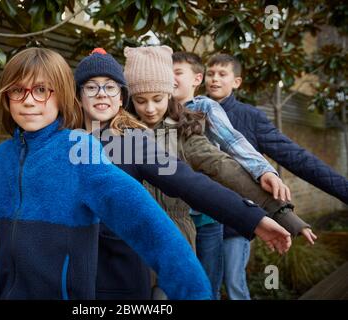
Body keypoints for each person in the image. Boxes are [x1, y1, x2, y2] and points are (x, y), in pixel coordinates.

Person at [0, 47, 216, 300]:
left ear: (62, 95)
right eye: (18, 91)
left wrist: (190, 286)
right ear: (6, 98)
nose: (29, 100)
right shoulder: (2, 157)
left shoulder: (80, 150)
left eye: (41, 90)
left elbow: (141, 218)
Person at [73, 48, 293, 299]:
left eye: (110, 87)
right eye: (91, 87)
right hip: (70, 274)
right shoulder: (63, 143)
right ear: (79, 95)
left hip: (119, 277)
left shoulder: (133, 144)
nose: (102, 94)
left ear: (122, 97)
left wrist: (254, 218)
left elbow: (190, 183)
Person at [123, 45, 315, 299]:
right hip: (129, 242)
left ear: (170, 96)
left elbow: (224, 166)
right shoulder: (118, 133)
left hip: (175, 241)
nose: (149, 109)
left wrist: (283, 213)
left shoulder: (185, 132)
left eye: (157, 99)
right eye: (140, 100)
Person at [203, 53, 346, 299]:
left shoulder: (250, 117)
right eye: (210, 73)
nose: (214, 79)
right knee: (203, 287)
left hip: (237, 219)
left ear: (236, 82)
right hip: (197, 218)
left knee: (235, 284)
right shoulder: (189, 114)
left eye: (222, 74)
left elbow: (298, 159)